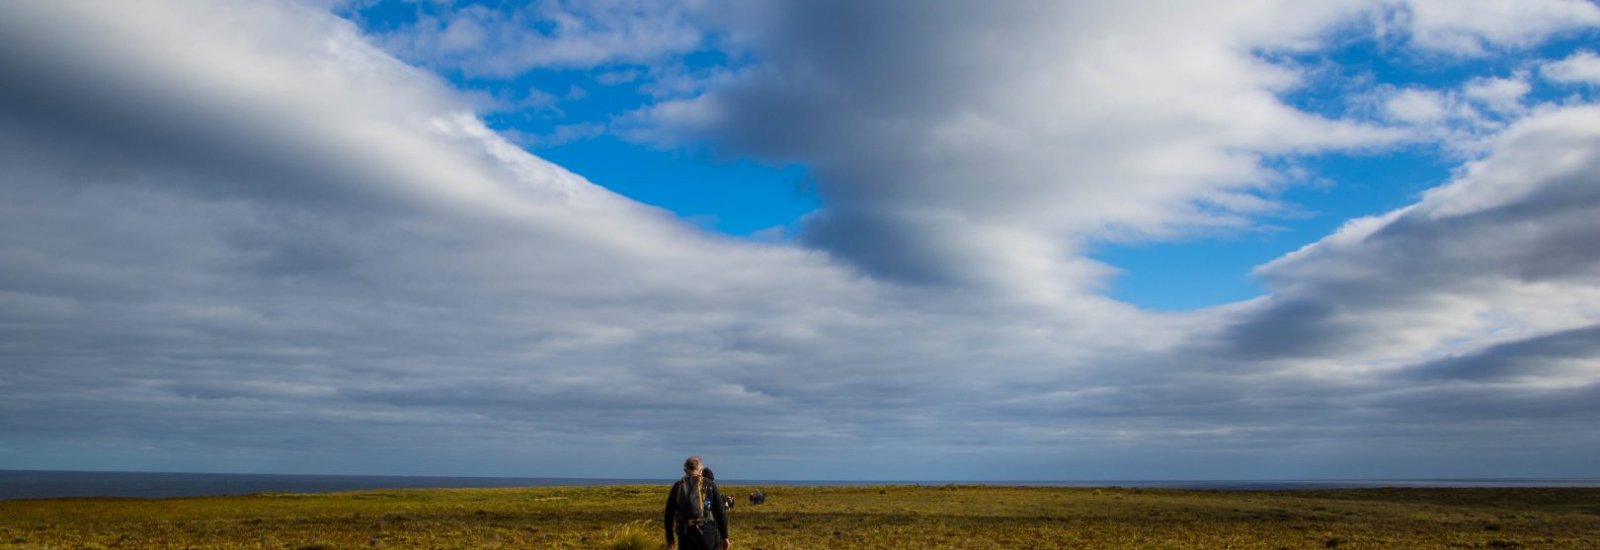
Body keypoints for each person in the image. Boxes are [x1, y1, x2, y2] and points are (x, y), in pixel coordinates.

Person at [664, 456, 730, 550]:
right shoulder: (709, 484)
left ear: (685, 470)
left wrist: (670, 538)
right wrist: (724, 536)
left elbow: (669, 515)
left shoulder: (678, 486)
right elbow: (720, 512)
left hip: (685, 534)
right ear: (700, 469)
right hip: (707, 532)